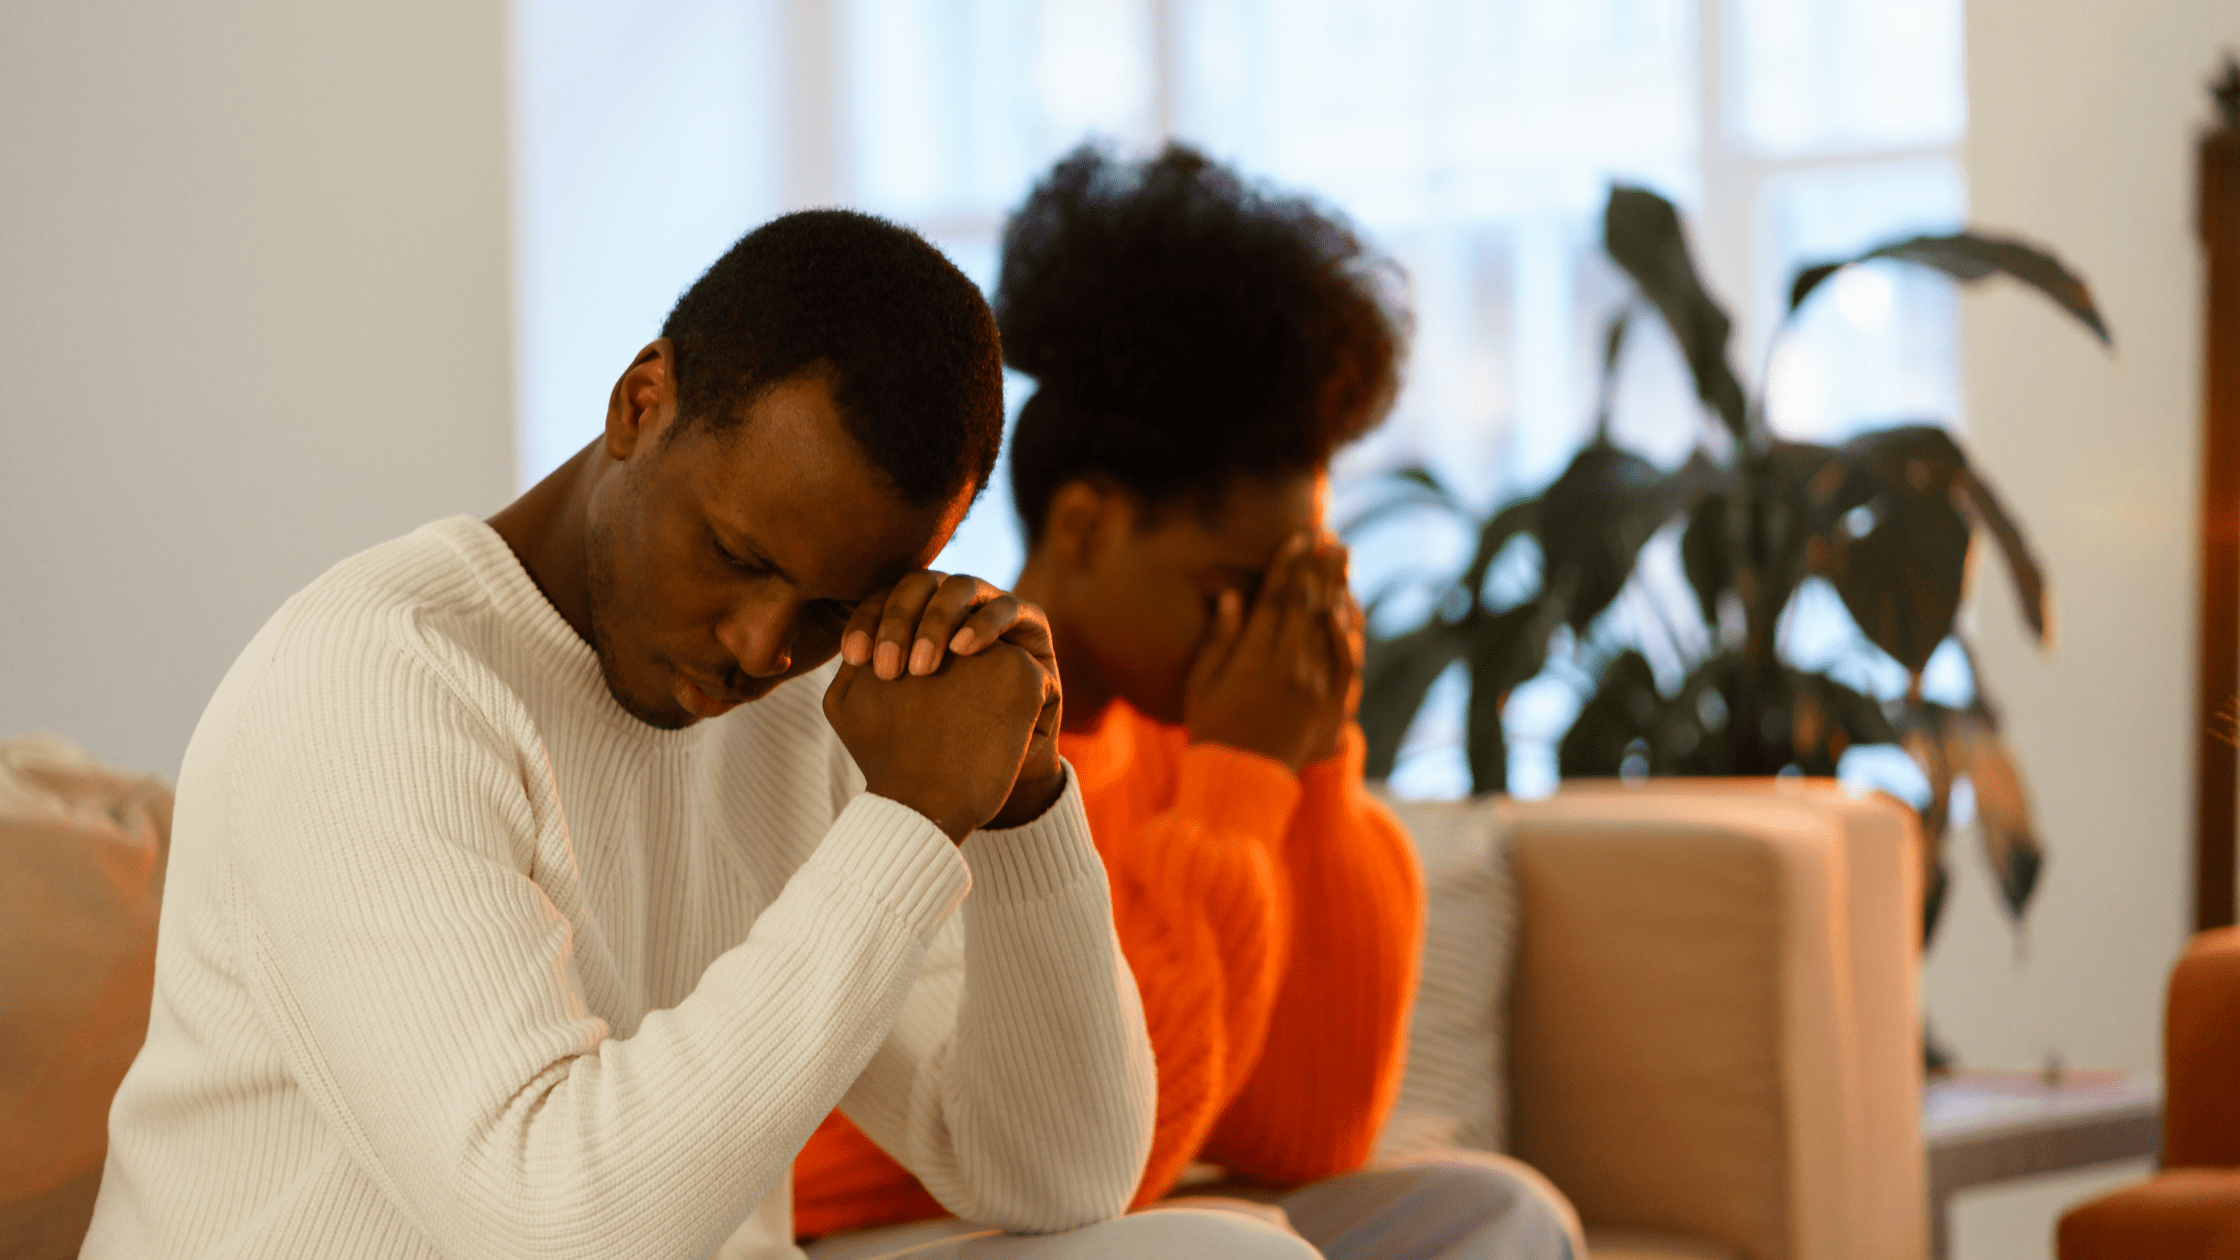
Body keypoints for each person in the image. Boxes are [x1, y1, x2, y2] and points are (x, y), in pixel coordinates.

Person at [81, 210, 1319, 1260]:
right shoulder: (377, 681)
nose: (759, 647)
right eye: (733, 555)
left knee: (1223, 1252)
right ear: (640, 402)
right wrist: (901, 826)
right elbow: (552, 1223)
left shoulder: (808, 708)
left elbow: (1059, 1174)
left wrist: (1022, 804)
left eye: (832, 607)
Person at [793, 149, 1585, 1260]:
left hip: (1108, 1214)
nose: (1268, 637)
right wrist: (1242, 779)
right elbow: (1099, 1161)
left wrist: (1306, 762)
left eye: (1301, 586)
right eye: (1237, 588)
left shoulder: (1208, 742)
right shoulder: (919, 723)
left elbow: (1309, 1131)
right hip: (902, 1227)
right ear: (1086, 527)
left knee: (1496, 1212)